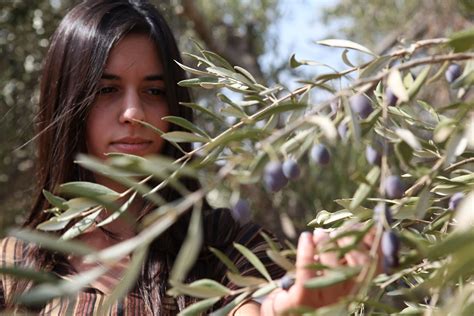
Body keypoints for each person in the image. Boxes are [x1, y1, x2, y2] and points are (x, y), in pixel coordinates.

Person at [0, 0, 380, 315]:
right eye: (106, 90)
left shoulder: (221, 244)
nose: (134, 113)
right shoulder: (18, 263)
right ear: (68, 104)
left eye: (153, 92)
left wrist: (292, 303)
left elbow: (257, 304)